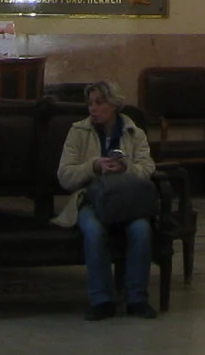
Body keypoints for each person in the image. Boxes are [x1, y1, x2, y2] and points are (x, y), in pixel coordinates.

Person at [55, 82, 157, 321]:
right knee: (93, 230)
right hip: (89, 198)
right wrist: (93, 166)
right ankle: (102, 300)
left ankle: (137, 300)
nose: (93, 108)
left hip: (126, 200)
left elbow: (147, 168)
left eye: (99, 103)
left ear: (114, 104)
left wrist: (125, 168)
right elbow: (65, 176)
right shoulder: (78, 132)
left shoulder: (134, 132)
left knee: (141, 230)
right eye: (90, 103)